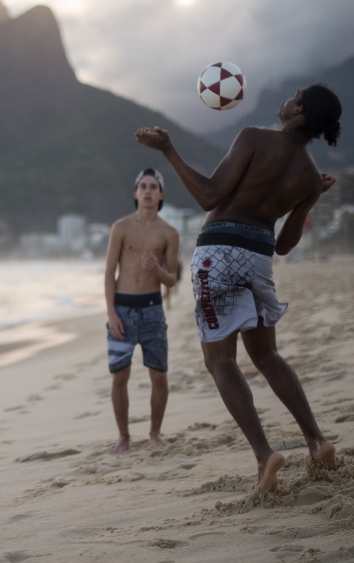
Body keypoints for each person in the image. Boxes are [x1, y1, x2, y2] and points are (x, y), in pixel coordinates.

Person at [135, 84, 341, 492]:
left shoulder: (253, 138)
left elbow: (210, 194)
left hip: (219, 256)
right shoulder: (309, 177)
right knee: (266, 354)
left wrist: (169, 151)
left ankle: (266, 454)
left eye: (293, 96)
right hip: (260, 257)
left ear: (298, 110)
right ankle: (317, 440)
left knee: (221, 362)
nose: (285, 99)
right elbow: (284, 245)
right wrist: (312, 195)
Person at [104, 168, 180, 454]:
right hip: (122, 309)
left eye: (153, 187)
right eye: (143, 186)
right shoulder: (121, 227)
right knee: (120, 375)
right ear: (135, 193)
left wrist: (157, 270)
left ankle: (155, 432)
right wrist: (111, 312)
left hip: (152, 310)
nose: (148, 191)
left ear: (161, 195)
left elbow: (172, 278)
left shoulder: (169, 233)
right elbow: (110, 271)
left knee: (159, 376)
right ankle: (123, 437)